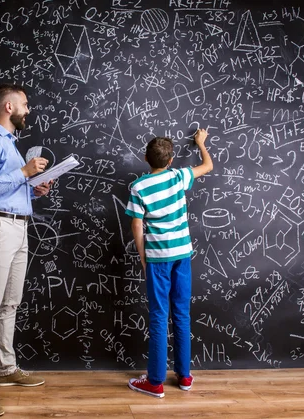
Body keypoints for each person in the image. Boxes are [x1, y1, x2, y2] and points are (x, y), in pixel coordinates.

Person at [0, 83, 53, 417]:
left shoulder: (12, 146)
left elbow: (11, 189)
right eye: (25, 105)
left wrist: (34, 189)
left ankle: (5, 368)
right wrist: (24, 172)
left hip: (19, 226)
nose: (28, 111)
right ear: (8, 107)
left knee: (11, 302)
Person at [125, 128, 213, 398]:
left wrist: (143, 256)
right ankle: (185, 377)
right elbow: (208, 165)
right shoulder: (178, 176)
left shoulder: (139, 187)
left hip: (158, 260)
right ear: (171, 160)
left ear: (145, 157)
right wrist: (200, 143)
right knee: (182, 314)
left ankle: (155, 382)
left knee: (160, 317)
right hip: (182, 255)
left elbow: (137, 226)